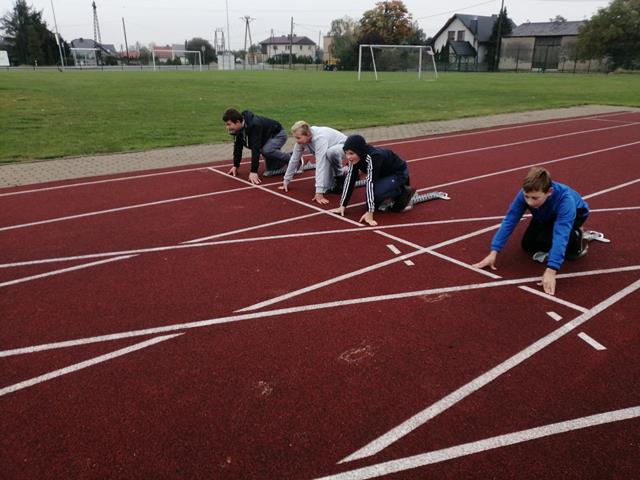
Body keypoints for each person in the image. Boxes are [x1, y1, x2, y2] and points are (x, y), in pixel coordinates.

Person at [473, 166, 590, 296]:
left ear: (549, 192)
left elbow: (561, 235)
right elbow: (510, 219)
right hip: (544, 213)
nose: (529, 202)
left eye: (534, 198)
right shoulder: (526, 193)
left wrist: (551, 270)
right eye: (526, 196)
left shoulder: (565, 201)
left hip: (575, 215)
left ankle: (577, 235)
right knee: (527, 245)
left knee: (551, 243)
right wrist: (494, 252)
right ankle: (547, 231)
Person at [330, 134, 416, 226]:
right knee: (374, 200)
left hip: (398, 173)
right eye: (346, 153)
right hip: (383, 174)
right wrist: (342, 206)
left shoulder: (373, 157)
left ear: (360, 151)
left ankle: (403, 190)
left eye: (351, 153)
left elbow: (370, 183)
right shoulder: (354, 159)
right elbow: (349, 180)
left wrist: (369, 212)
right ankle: (388, 190)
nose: (348, 157)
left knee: (375, 194)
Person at [280, 121, 347, 205]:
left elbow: (320, 164)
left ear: (308, 134)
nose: (296, 141)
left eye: (298, 138)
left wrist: (319, 192)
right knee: (327, 187)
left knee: (330, 153)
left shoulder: (319, 139)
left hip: (344, 146)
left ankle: (340, 175)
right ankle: (341, 173)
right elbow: (294, 159)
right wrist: (286, 180)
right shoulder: (301, 141)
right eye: (295, 138)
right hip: (330, 147)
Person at [222, 108, 291, 185]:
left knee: (266, 150)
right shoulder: (237, 130)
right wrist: (236, 165)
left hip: (278, 134)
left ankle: (292, 159)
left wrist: (254, 171)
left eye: (229, 124)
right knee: (272, 169)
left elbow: (255, 148)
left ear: (238, 122)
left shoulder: (255, 125)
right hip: (266, 138)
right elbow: (238, 147)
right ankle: (283, 161)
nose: (227, 127)